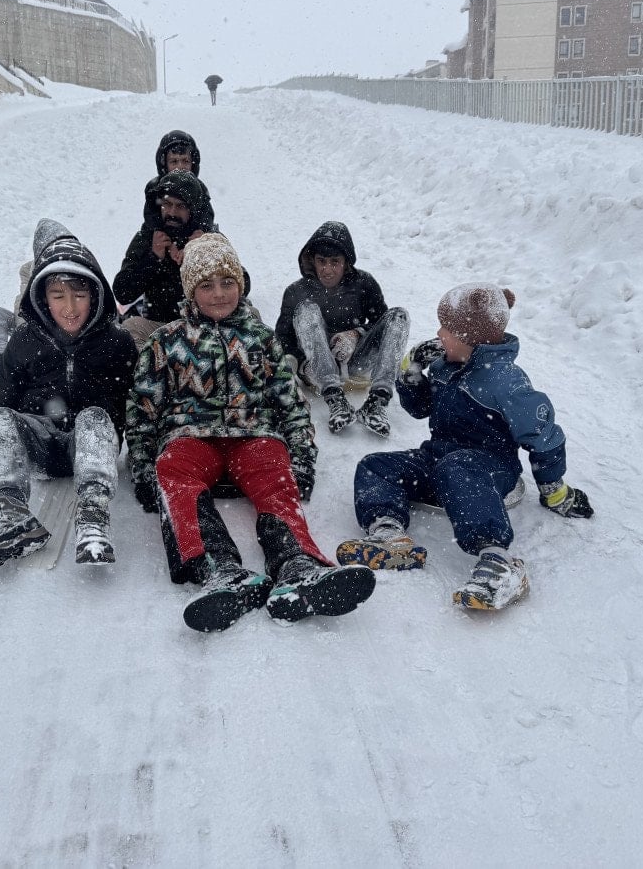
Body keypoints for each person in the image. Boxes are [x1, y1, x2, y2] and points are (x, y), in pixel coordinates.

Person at [126, 233, 376, 632]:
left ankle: (297, 564)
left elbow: (290, 402)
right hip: (191, 436)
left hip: (251, 434)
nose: (219, 293)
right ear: (190, 291)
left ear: (241, 284)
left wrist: (301, 458)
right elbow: (142, 408)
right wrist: (142, 467)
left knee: (272, 469)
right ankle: (220, 569)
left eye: (228, 282)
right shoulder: (166, 341)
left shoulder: (260, 339)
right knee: (173, 469)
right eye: (206, 285)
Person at [336, 283, 594, 609]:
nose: (439, 334)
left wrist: (555, 490)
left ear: (471, 339)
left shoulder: (505, 382)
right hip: (441, 458)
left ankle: (497, 561)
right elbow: (421, 409)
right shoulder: (446, 365)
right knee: (375, 466)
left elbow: (544, 436)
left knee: (457, 468)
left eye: (447, 328)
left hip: (490, 471)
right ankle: (390, 534)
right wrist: (411, 371)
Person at [0, 221, 138, 571]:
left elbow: (137, 406)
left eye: (79, 295)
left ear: (96, 295)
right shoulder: (23, 343)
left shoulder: (117, 344)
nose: (70, 307)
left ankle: (92, 515)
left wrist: (142, 456)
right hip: (41, 444)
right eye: (58, 296)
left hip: (91, 448)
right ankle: (10, 513)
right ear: (42, 298)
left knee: (95, 416)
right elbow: (5, 406)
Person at [274, 221, 410, 437]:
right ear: (313, 261)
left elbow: (380, 324)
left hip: (355, 363)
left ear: (346, 262)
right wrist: (300, 364)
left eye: (334, 262)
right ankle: (336, 399)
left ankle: (377, 402)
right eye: (322, 262)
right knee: (306, 308)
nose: (327, 270)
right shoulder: (296, 291)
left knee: (398, 315)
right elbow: (283, 339)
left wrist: (357, 334)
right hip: (317, 369)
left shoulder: (364, 284)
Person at [114, 169, 251, 349]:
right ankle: (153, 374)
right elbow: (122, 292)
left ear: (193, 209)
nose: (171, 212)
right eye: (167, 204)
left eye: (180, 206)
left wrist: (204, 253)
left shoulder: (208, 236)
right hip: (161, 328)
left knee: (251, 315)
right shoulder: (148, 238)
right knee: (130, 329)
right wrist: (153, 258)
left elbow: (244, 284)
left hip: (210, 328)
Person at [0, 219, 68, 392]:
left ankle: (36, 366)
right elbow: (23, 300)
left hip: (54, 327)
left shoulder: (68, 265)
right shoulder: (27, 269)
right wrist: (22, 329)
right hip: (25, 323)